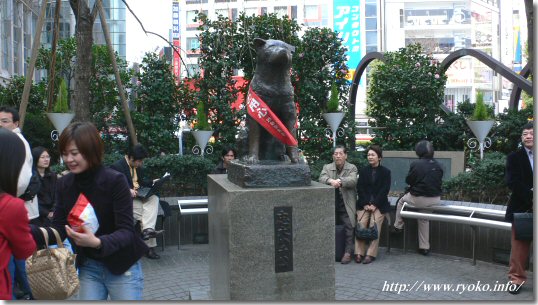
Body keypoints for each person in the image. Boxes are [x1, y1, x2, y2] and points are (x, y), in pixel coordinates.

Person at [30, 122, 148, 300]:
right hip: (88, 266)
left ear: (92, 150)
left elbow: (126, 231)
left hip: (123, 265)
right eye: (64, 154)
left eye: (74, 153)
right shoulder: (64, 184)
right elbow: (60, 230)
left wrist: (97, 242)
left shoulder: (115, 180)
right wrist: (25, 231)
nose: (69, 159)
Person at [0, 106, 37, 299]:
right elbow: (25, 249)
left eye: (5, 121)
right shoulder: (9, 206)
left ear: (16, 124)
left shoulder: (17, 142)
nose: (1, 125)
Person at [110, 143, 162, 260]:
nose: (141, 164)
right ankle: (149, 246)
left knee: (154, 198)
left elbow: (142, 182)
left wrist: (153, 182)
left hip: (139, 195)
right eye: (139, 161)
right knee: (147, 213)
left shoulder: (137, 166)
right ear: (131, 158)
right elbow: (111, 186)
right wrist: (127, 190)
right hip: (127, 200)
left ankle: (147, 232)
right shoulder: (117, 166)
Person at [392, 140, 443, 256]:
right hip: (435, 199)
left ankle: (398, 226)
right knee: (423, 219)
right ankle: (424, 247)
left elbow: (409, 180)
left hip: (419, 199)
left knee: (401, 201)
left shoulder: (416, 164)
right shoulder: (438, 164)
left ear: (419, 151)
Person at [504, 122, 534, 294]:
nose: (528, 136)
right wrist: (531, 195)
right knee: (519, 249)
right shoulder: (514, 157)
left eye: (532, 133)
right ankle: (516, 279)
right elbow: (512, 182)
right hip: (523, 208)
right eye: (525, 134)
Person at [319, 145, 358, 264]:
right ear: (333, 156)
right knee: (328, 226)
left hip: (346, 203)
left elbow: (353, 180)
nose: (338, 156)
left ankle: (347, 252)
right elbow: (321, 178)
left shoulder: (352, 168)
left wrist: (340, 182)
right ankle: (328, 251)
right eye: (336, 154)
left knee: (349, 227)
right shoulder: (327, 167)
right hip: (331, 204)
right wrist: (330, 181)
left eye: (341, 153)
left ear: (345, 155)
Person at [355, 145, 391, 264]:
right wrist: (365, 203)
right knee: (361, 223)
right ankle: (359, 253)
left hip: (379, 204)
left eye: (372, 155)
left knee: (374, 224)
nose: (370, 157)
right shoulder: (364, 171)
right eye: (368, 155)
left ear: (379, 157)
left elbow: (384, 190)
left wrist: (375, 204)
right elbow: (360, 188)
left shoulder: (386, 172)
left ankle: (370, 254)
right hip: (364, 204)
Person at [31, 147, 57, 227]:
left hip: (53, 212)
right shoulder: (31, 177)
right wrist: (46, 213)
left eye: (47, 157)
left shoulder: (53, 175)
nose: (46, 159)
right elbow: (31, 200)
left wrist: (53, 210)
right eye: (42, 157)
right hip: (37, 214)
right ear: (36, 158)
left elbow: (57, 194)